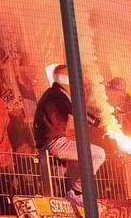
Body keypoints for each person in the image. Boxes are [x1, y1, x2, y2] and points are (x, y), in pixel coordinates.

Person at [34, 64, 105, 207]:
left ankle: (69, 197)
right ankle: (76, 193)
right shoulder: (58, 94)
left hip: (50, 142)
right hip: (55, 143)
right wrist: (98, 123)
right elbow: (77, 111)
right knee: (99, 154)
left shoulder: (53, 93)